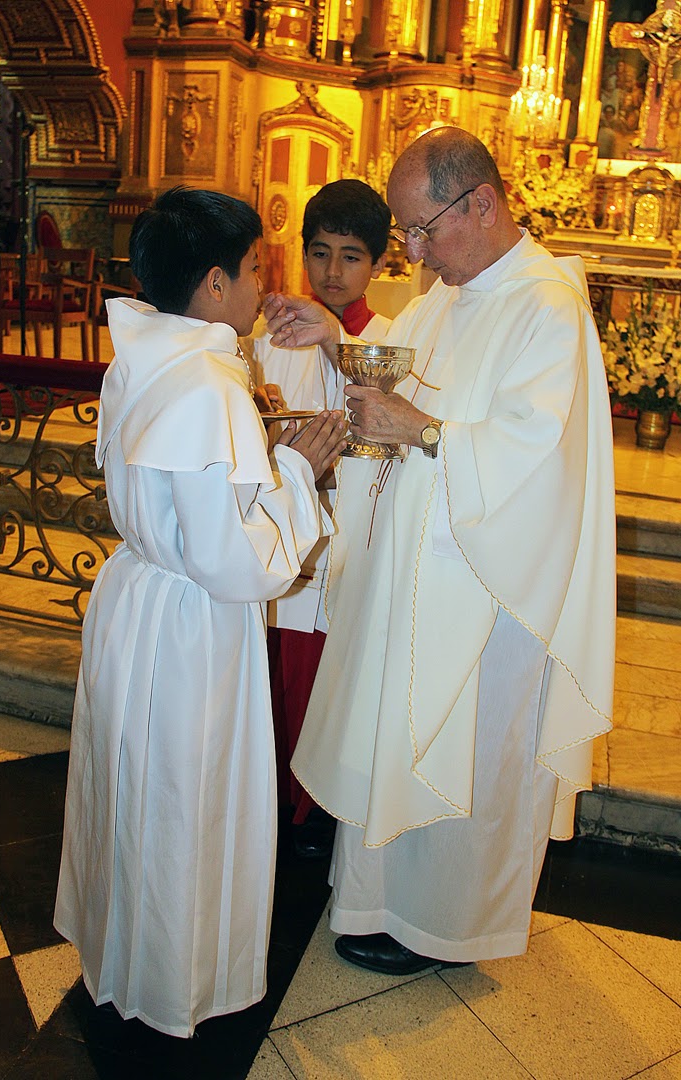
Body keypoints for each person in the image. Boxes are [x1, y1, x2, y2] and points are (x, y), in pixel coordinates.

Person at [264, 127, 616, 976]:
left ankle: (449, 928)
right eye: (407, 233)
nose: (414, 251)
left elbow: (539, 454)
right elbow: (398, 371)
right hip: (415, 576)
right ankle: (383, 902)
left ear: (482, 203)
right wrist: (330, 337)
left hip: (488, 588)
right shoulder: (450, 291)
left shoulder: (545, 304)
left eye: (424, 230)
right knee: (400, 740)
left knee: (471, 755)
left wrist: (420, 431)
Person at [53, 186, 346, 1036]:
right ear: (214, 284)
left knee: (132, 787)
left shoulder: (144, 355)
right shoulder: (213, 386)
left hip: (138, 596)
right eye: (257, 268)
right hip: (191, 625)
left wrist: (268, 459)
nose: (265, 285)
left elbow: (184, 508)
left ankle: (123, 956)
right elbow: (233, 562)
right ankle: (170, 981)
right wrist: (299, 474)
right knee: (184, 797)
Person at [242, 178, 391, 856]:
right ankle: (271, 800)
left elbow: (389, 412)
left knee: (328, 676)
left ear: (381, 264)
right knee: (275, 671)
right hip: (282, 527)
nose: (332, 272)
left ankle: (318, 807)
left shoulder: (389, 338)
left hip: (349, 540)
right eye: (320, 251)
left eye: (351, 256)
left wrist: (334, 339)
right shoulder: (269, 340)